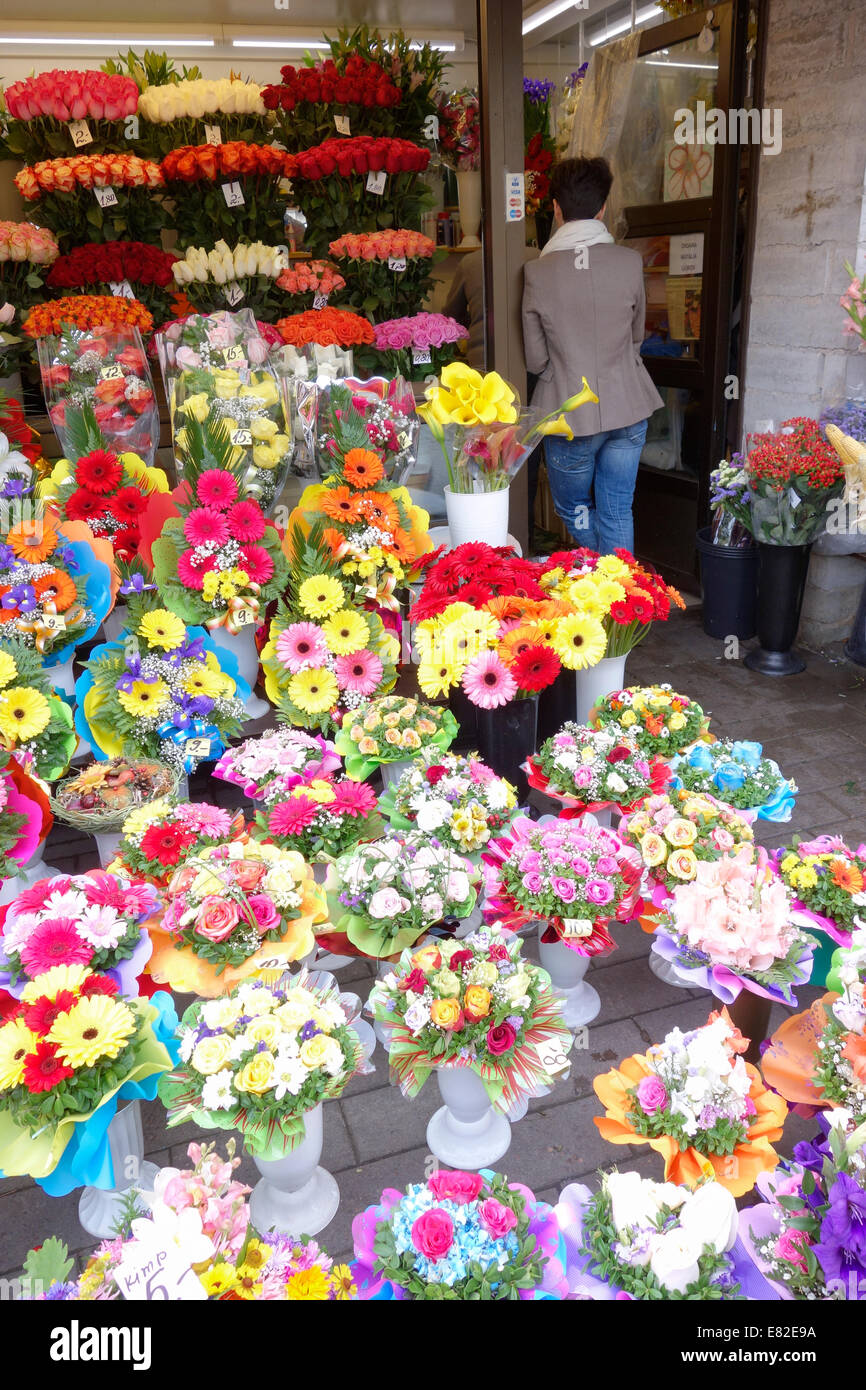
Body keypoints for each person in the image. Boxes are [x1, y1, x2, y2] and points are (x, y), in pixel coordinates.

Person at [522, 155, 663, 553]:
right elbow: (637, 338)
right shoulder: (630, 262)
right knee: (618, 510)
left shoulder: (538, 271)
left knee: (573, 509)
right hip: (629, 406)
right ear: (603, 207)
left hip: (570, 415)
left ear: (556, 208)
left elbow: (535, 360)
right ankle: (624, 601)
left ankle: (611, 582)